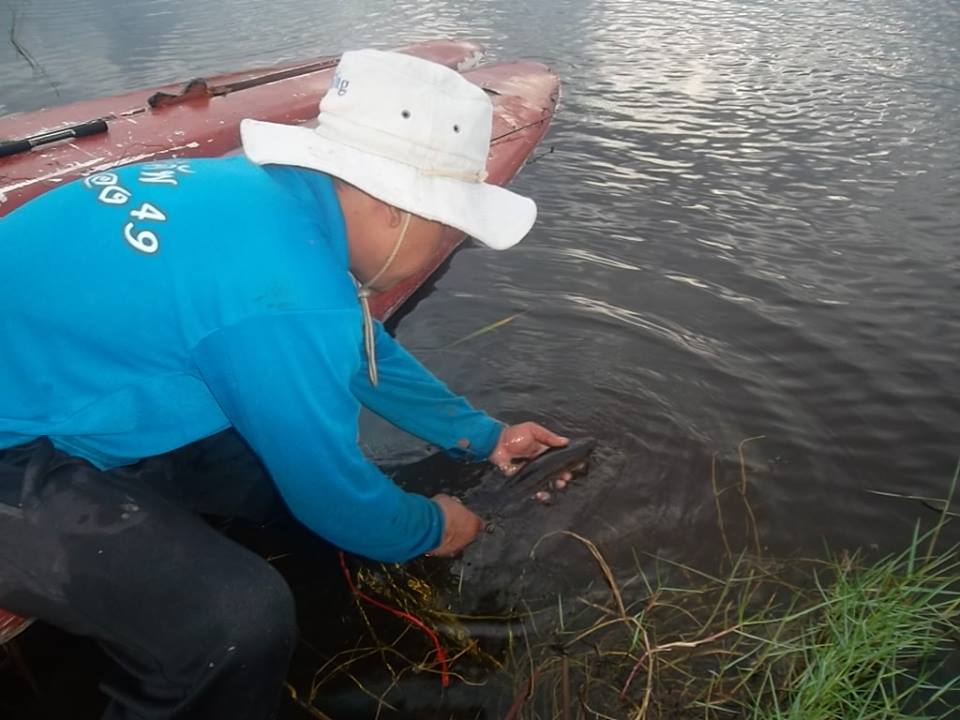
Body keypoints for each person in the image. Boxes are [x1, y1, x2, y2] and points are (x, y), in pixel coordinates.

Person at [0, 49, 567, 719]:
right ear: (396, 208)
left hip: (42, 387)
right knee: (236, 625)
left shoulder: (260, 192)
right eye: (450, 225)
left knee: (271, 475)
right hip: (15, 449)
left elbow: (353, 347)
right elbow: (334, 494)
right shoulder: (288, 297)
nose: (453, 244)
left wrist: (483, 436)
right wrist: (432, 526)